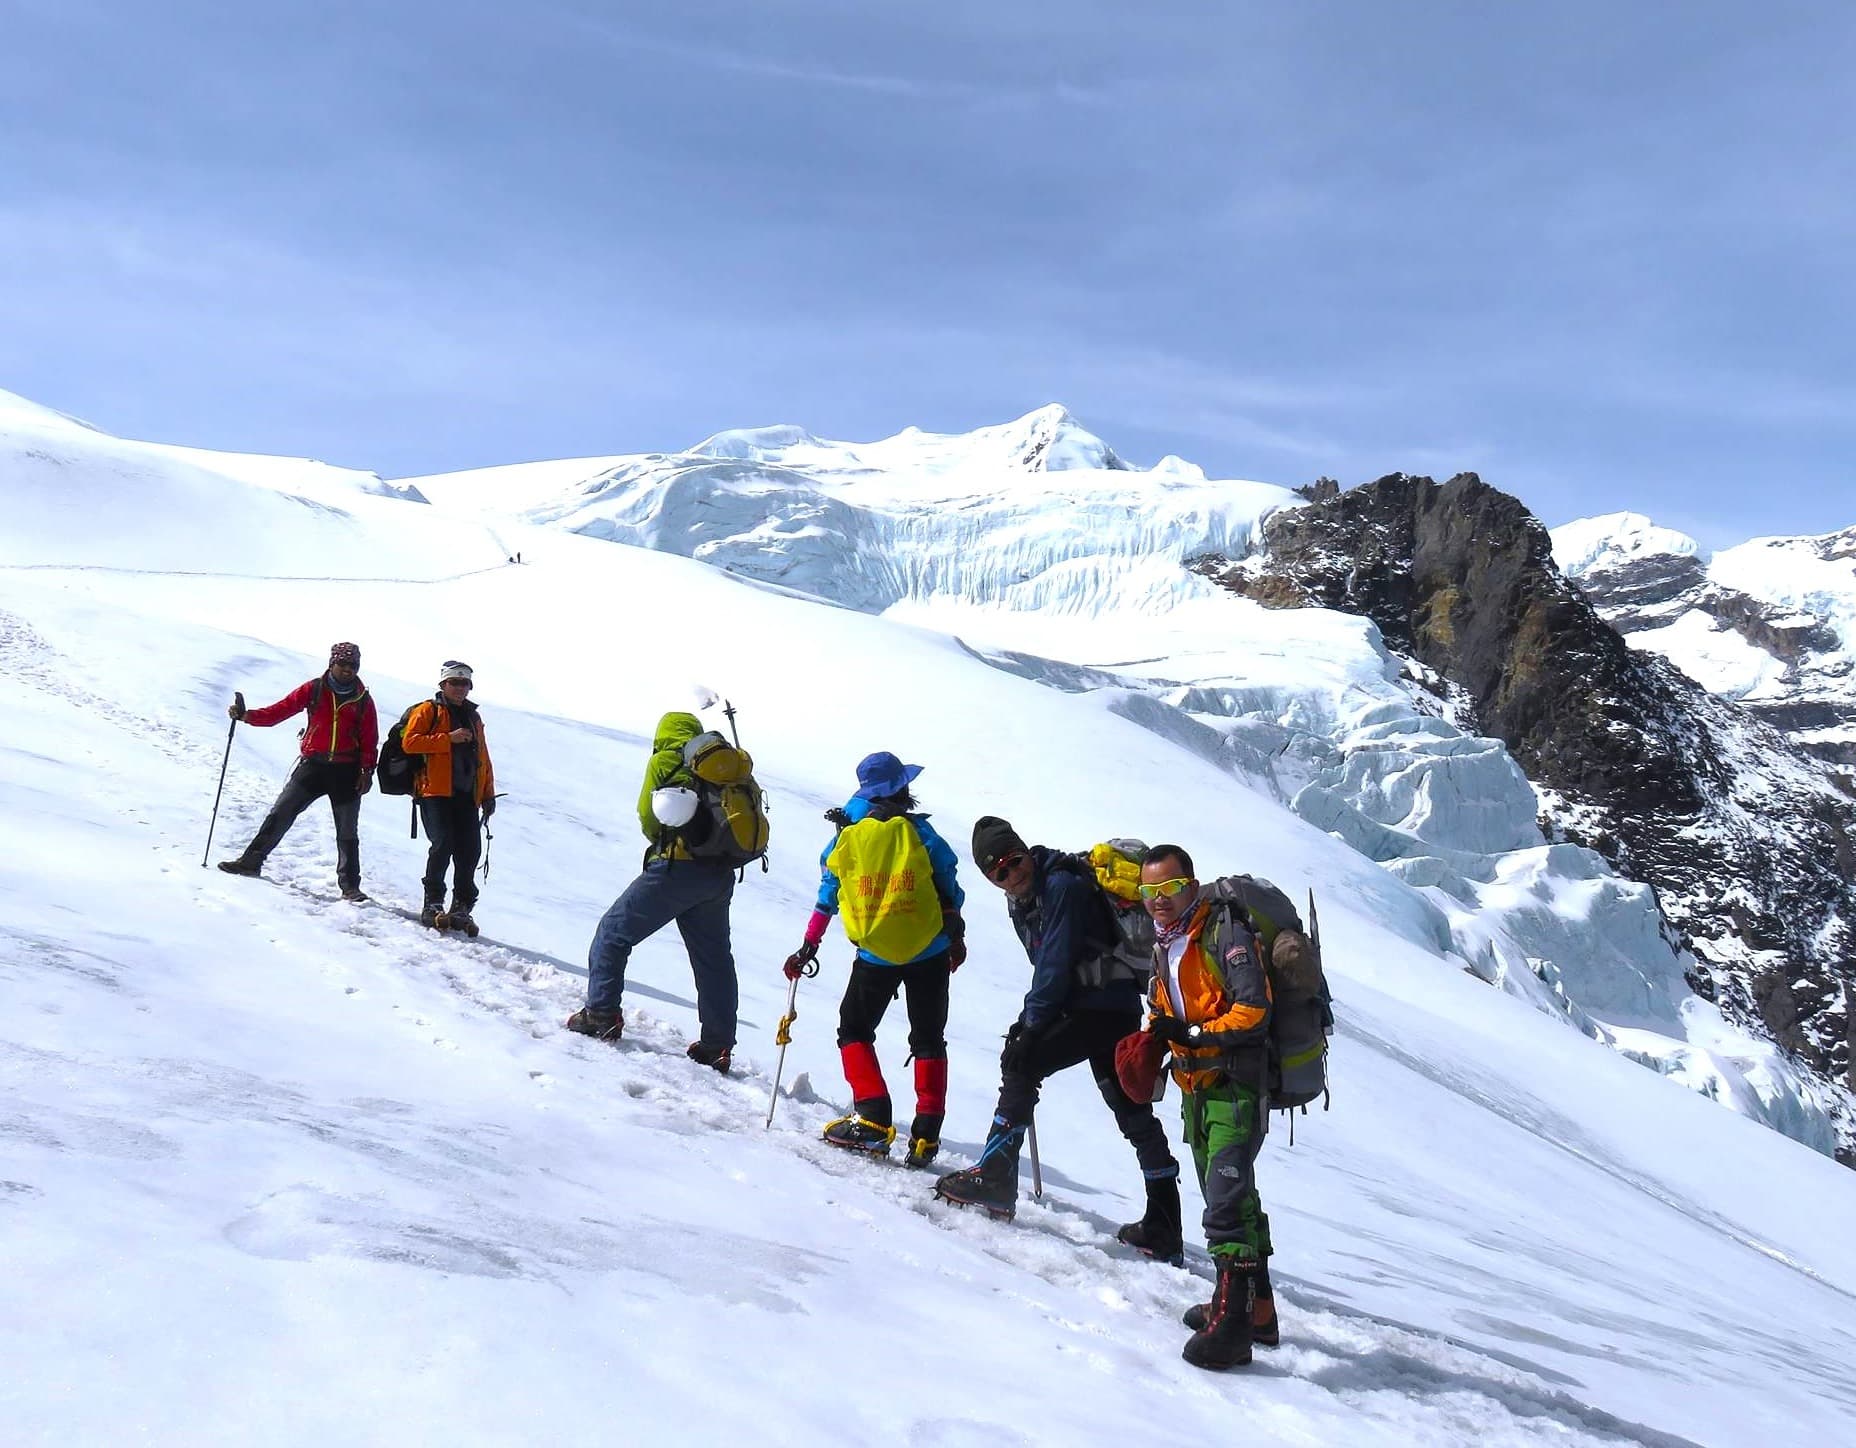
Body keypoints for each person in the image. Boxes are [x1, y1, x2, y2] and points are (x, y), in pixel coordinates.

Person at [933, 819, 1183, 1247]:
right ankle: (1164, 1221)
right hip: (1099, 1005)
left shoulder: (1063, 886)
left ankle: (995, 1176)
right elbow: (1049, 965)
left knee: (1023, 1063)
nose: (1012, 874)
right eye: (1000, 873)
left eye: (1015, 861)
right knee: (1129, 1107)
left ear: (1025, 850)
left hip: (1099, 1006)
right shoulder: (1025, 899)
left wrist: (1032, 1025)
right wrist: (1033, 1018)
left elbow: (1054, 961)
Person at [782, 752, 965, 1166]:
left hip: (875, 953)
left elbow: (829, 891)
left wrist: (809, 945)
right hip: (930, 947)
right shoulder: (919, 832)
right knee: (929, 1038)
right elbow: (948, 879)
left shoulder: (847, 836)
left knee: (855, 1028)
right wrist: (955, 931)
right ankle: (926, 1137)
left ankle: (873, 1116)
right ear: (903, 790)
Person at [1137, 843, 1280, 1371]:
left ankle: (1233, 1329)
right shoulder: (1165, 945)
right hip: (1196, 1092)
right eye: (1150, 892)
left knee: (1224, 1203)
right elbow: (1165, 1005)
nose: (1160, 901)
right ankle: (1254, 1309)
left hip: (1236, 1088)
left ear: (1190, 887)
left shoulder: (1225, 934)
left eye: (1170, 889)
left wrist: (1194, 1034)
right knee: (1234, 1197)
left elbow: (1254, 1011)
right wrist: (1158, 1038)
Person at [566, 711, 740, 1071]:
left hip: (676, 869)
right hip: (720, 875)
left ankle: (600, 1014)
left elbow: (649, 815)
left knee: (613, 933)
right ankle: (717, 1044)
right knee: (713, 960)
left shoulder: (666, 759)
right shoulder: (725, 764)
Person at [217, 641, 378, 900]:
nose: (348, 669)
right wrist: (247, 716)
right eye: (343, 664)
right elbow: (279, 711)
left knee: (347, 831)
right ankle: (250, 862)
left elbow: (370, 739)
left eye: (353, 665)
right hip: (313, 766)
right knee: (281, 813)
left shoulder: (363, 700)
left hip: (347, 770)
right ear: (332, 663)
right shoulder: (314, 689)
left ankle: (350, 887)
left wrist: (367, 771)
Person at [400, 661, 496, 931]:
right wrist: (448, 738)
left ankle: (462, 907)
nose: (459, 688)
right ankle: (433, 903)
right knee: (442, 845)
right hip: (434, 792)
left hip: (466, 795)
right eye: (454, 682)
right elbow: (410, 742)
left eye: (464, 683)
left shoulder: (474, 718)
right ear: (443, 684)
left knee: (469, 851)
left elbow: (483, 758)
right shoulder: (428, 710)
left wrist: (488, 794)